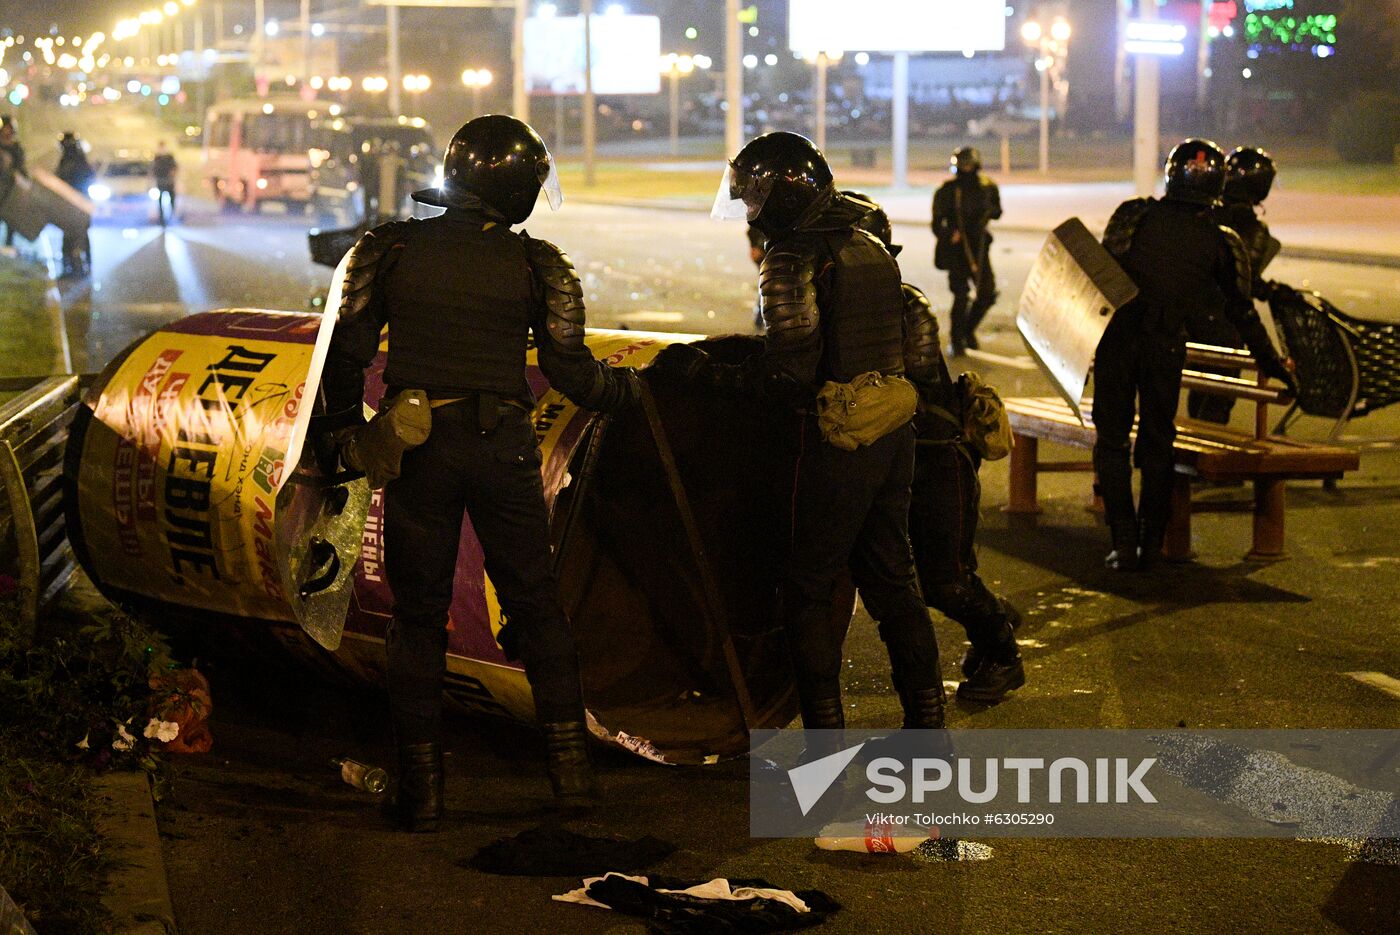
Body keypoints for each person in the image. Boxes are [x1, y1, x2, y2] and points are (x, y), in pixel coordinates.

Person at [322, 115, 640, 831]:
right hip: (504, 452)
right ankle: (572, 780)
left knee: (419, 618)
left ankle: (423, 792)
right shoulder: (539, 264)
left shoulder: (391, 246)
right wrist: (631, 392)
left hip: (418, 448)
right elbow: (569, 368)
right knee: (535, 603)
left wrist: (346, 434)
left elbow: (345, 355)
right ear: (522, 187)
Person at [656, 133, 945, 739]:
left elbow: (788, 373)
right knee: (894, 583)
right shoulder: (867, 243)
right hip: (893, 434)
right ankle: (927, 733)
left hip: (837, 444)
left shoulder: (791, 258)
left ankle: (824, 753)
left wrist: (708, 373)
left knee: (808, 591)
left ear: (776, 195)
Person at [845, 193, 1025, 704]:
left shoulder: (905, 304)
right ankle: (993, 617)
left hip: (934, 456)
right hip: (897, 459)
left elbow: (904, 386)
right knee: (921, 579)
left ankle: (1005, 654)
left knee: (943, 583)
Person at [1094, 139, 1296, 572]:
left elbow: (1098, 276)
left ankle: (1123, 544)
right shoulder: (1221, 241)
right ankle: (1151, 544)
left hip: (1119, 342)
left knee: (1111, 443)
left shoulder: (1134, 214)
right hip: (1165, 346)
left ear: (1171, 175)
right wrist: (1275, 365)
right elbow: (1243, 312)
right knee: (1157, 443)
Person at [1187, 146, 1281, 424]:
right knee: (1220, 397)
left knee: (1199, 387)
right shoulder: (1252, 229)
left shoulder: (1205, 215)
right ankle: (1205, 453)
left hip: (1192, 320)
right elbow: (1241, 281)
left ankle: (1193, 448)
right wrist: (1270, 292)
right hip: (1225, 326)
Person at [932, 146, 1001, 357]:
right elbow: (936, 223)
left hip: (978, 248)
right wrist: (949, 234)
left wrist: (988, 212)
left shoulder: (987, 187)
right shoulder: (947, 191)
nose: (966, 169)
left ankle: (967, 330)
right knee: (961, 296)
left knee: (987, 293)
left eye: (969, 164)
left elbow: (997, 211)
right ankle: (956, 340)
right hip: (957, 251)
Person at [1, 116, 27, 247]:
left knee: (10, 222)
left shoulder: (16, 149)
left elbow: (21, 168)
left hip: (11, 190)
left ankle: (8, 246)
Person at [151, 141, 178, 225]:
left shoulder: (169, 157)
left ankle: (171, 215)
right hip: (160, 182)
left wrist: (172, 175)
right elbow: (153, 169)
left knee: (172, 199)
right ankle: (162, 218)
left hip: (169, 182)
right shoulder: (157, 157)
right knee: (160, 201)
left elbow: (174, 167)